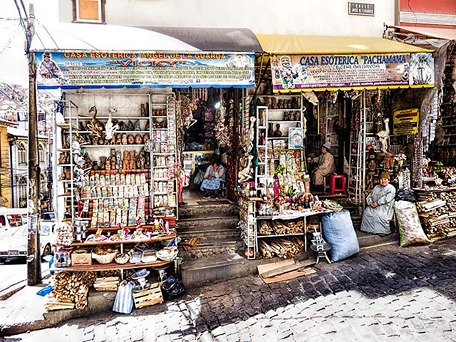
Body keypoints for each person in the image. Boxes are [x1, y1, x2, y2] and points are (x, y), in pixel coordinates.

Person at [360, 171, 396, 236]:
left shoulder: (391, 188)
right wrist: (370, 202)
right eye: (381, 179)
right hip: (373, 205)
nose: (383, 181)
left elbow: (387, 198)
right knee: (367, 212)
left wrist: (378, 203)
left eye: (385, 179)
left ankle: (383, 231)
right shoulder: (377, 187)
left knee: (378, 215)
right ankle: (368, 230)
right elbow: (370, 195)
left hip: (384, 207)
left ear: (388, 180)